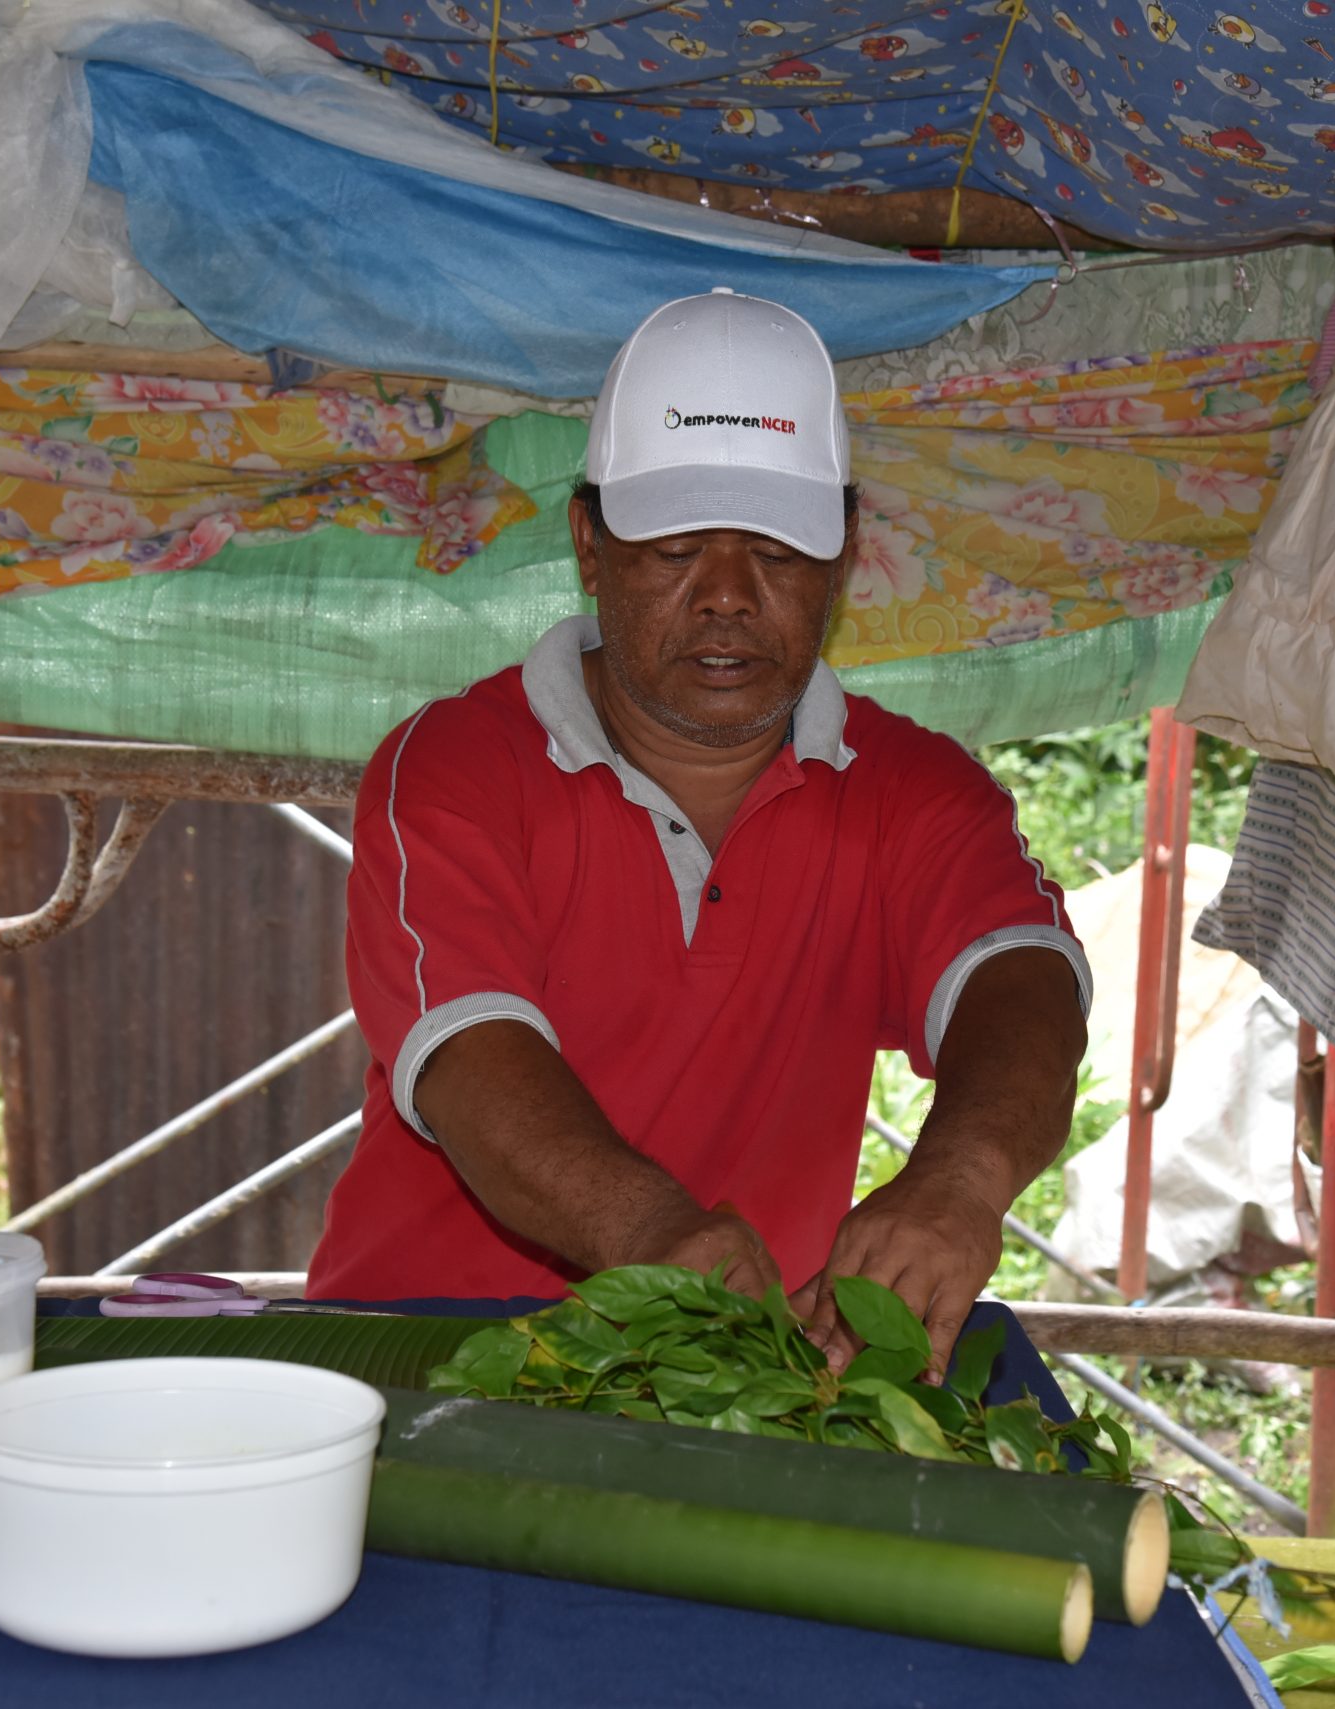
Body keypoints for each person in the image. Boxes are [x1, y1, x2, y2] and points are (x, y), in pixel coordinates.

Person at [308, 288, 1089, 1372]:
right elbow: (473, 1065)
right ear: (589, 540)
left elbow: (1023, 976)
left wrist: (957, 1179)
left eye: (776, 551)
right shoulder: (452, 770)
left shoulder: (915, 791)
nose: (726, 595)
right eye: (674, 549)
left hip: (742, 1375)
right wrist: (649, 1229)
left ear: (845, 551)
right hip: (424, 1355)